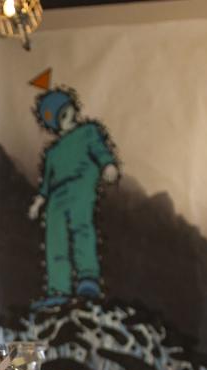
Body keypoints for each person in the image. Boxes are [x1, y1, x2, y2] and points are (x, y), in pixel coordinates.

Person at [27, 87, 119, 308]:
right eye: (59, 119)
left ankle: (88, 279)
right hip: (56, 199)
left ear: (73, 109)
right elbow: (46, 182)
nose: (66, 120)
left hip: (81, 188)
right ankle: (58, 288)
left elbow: (99, 149)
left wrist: (107, 163)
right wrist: (39, 200)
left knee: (81, 229)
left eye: (66, 113)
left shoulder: (88, 131)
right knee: (55, 239)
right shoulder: (53, 152)